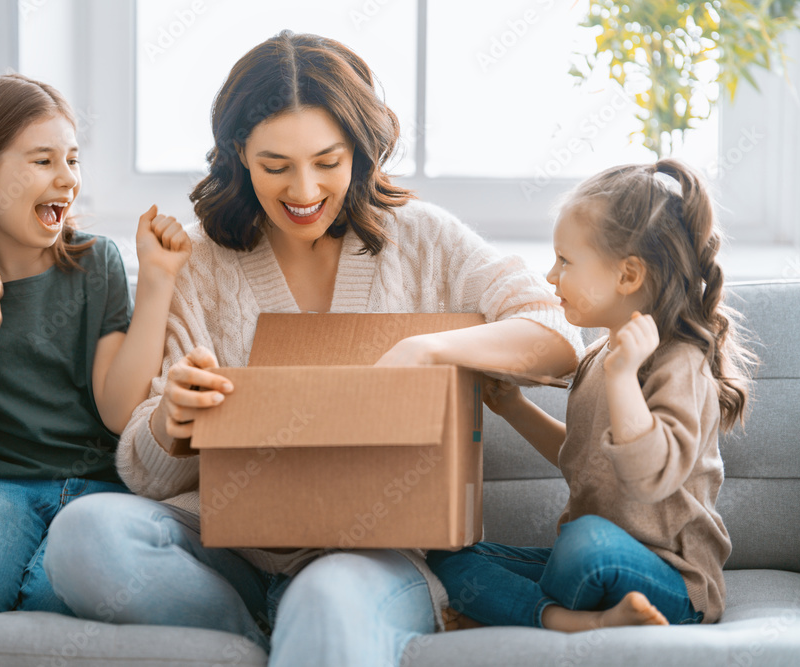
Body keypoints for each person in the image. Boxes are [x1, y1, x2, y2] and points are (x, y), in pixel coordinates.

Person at [42, 31, 581, 665]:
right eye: (276, 166)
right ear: (240, 152)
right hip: (229, 550)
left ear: (360, 147)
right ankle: (257, 640)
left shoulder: (424, 239)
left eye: (328, 161)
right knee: (84, 534)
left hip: (373, 555)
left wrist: (430, 351)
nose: (303, 191)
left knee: (326, 601)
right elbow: (144, 474)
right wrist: (171, 421)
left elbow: (556, 337)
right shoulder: (202, 261)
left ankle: (305, 631)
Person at [0, 73, 191, 614]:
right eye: (43, 161)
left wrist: (156, 281)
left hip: (97, 490)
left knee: (58, 591)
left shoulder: (96, 263)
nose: (67, 179)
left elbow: (120, 411)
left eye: (73, 160)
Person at [427, 159, 758, 632]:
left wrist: (624, 377)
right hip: (587, 560)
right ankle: (569, 617)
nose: (550, 275)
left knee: (584, 544)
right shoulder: (602, 351)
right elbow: (584, 460)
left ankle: (530, 613)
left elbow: (649, 481)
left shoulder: (679, 363)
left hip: (671, 581)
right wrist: (514, 408)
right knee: (445, 557)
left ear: (628, 276)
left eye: (565, 261)